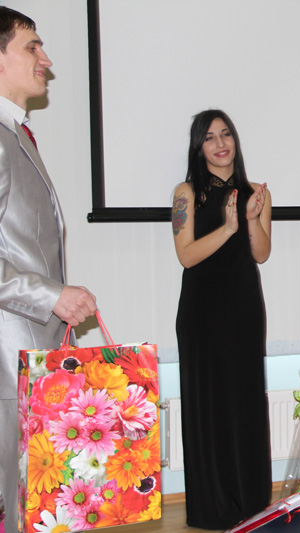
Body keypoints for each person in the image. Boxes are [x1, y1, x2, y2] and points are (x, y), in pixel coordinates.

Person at [0, 7, 98, 533]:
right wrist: (51, 295)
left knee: (39, 502)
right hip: (9, 353)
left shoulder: (14, 134)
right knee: (20, 501)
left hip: (32, 350)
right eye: (32, 47)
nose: (47, 60)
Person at [172, 109, 272, 529]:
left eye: (225, 134)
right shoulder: (186, 193)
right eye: (209, 137)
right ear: (199, 147)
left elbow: (261, 253)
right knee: (208, 404)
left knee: (245, 401)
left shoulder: (257, 192)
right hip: (202, 312)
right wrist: (227, 229)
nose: (220, 144)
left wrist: (249, 221)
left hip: (243, 308)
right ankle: (213, 506)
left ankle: (251, 501)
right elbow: (186, 255)